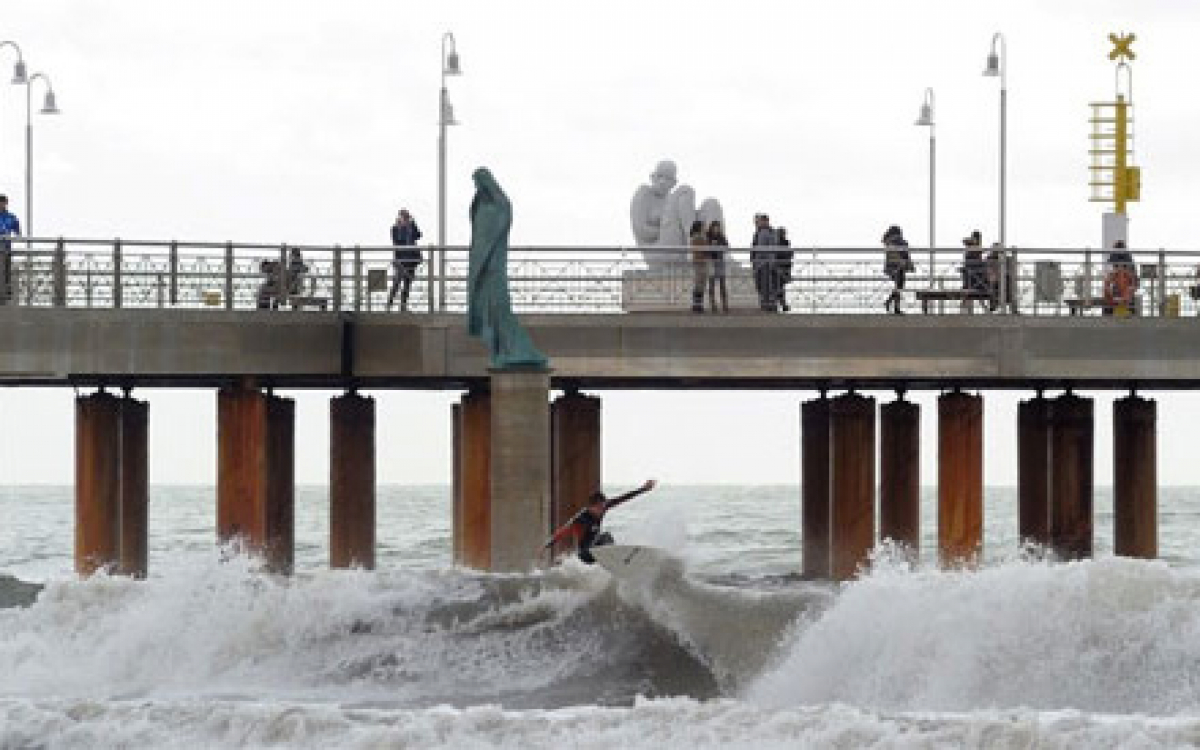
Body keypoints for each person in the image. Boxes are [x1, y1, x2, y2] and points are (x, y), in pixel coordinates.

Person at [543, 480, 658, 564]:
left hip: (597, 551)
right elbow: (562, 532)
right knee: (604, 537)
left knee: (606, 537)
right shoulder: (580, 518)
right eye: (599, 507)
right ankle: (614, 560)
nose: (602, 510)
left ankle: (616, 561)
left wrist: (643, 489)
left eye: (603, 507)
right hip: (585, 554)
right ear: (591, 507)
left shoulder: (604, 507)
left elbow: (623, 498)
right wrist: (546, 546)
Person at [388, 209, 423, 312]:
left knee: (407, 284)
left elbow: (418, 235)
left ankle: (403, 306)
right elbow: (398, 241)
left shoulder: (411, 227)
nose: (405, 219)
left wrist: (413, 223)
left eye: (407, 217)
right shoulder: (395, 229)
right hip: (400, 260)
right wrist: (403, 227)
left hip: (411, 260)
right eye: (404, 217)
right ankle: (389, 304)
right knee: (396, 283)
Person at [882, 225, 913, 314]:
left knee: (898, 286)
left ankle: (893, 305)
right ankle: (892, 305)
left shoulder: (888, 242)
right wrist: (908, 265)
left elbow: (891, 256)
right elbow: (905, 254)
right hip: (899, 266)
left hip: (892, 267)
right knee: (899, 286)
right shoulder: (899, 241)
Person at [751, 214, 778, 312]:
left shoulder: (769, 232)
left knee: (766, 285)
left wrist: (769, 260)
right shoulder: (759, 232)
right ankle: (765, 304)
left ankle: (768, 305)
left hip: (765, 262)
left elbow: (771, 247)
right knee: (761, 285)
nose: (758, 223)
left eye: (760, 221)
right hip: (759, 263)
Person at [1103, 239, 1138, 316]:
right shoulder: (1128, 261)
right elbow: (1107, 285)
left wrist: (1125, 297)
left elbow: (1134, 284)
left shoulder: (1128, 268)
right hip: (1118, 296)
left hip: (1125, 297)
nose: (1118, 266)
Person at [706, 220, 730, 314]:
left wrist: (719, 246)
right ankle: (713, 305)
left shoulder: (721, 237)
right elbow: (705, 248)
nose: (716, 229)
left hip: (720, 262)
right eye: (715, 227)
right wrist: (711, 246)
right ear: (712, 228)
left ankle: (725, 304)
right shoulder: (708, 236)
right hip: (711, 262)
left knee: (722, 285)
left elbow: (726, 247)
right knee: (711, 285)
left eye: (718, 227)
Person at [0, 194, 20, 305]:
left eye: (3, 203)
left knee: (6, 271)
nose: (1, 205)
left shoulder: (11, 217)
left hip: (6, 249)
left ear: (6, 204)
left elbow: (17, 232)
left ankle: (7, 294)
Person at [961, 230, 987, 311]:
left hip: (975, 274)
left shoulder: (977, 247)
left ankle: (966, 308)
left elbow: (982, 252)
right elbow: (964, 241)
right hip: (971, 273)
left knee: (973, 288)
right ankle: (966, 308)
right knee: (969, 288)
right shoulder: (970, 245)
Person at [689, 219, 710, 313]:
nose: (705, 227)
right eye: (703, 226)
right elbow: (703, 250)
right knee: (699, 284)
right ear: (699, 227)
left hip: (698, 262)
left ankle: (697, 305)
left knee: (699, 284)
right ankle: (697, 306)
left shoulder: (696, 237)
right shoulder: (698, 237)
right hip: (700, 262)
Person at [774, 226, 793, 312]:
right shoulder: (786, 243)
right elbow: (789, 255)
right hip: (784, 267)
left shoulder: (777, 243)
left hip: (779, 267)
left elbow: (778, 255)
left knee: (777, 287)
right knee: (780, 287)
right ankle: (782, 304)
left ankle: (778, 304)